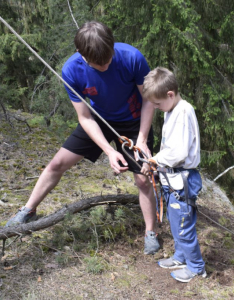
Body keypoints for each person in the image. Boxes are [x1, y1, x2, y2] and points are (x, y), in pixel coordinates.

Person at [5, 21, 160, 255]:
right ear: (81, 54)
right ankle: (28, 210)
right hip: (99, 119)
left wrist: (142, 139)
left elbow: (148, 99)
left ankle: (151, 231)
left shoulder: (132, 58)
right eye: (99, 64)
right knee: (57, 163)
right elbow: (85, 117)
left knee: (142, 180)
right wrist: (109, 151)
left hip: (135, 122)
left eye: (108, 60)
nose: (105, 66)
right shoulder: (71, 70)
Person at [142, 67, 206, 282]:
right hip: (173, 179)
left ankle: (196, 267)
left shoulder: (183, 112)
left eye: (158, 104)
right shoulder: (172, 110)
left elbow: (178, 153)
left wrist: (154, 160)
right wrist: (157, 164)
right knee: (175, 221)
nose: (157, 108)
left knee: (183, 227)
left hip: (183, 179)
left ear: (170, 94)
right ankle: (181, 257)